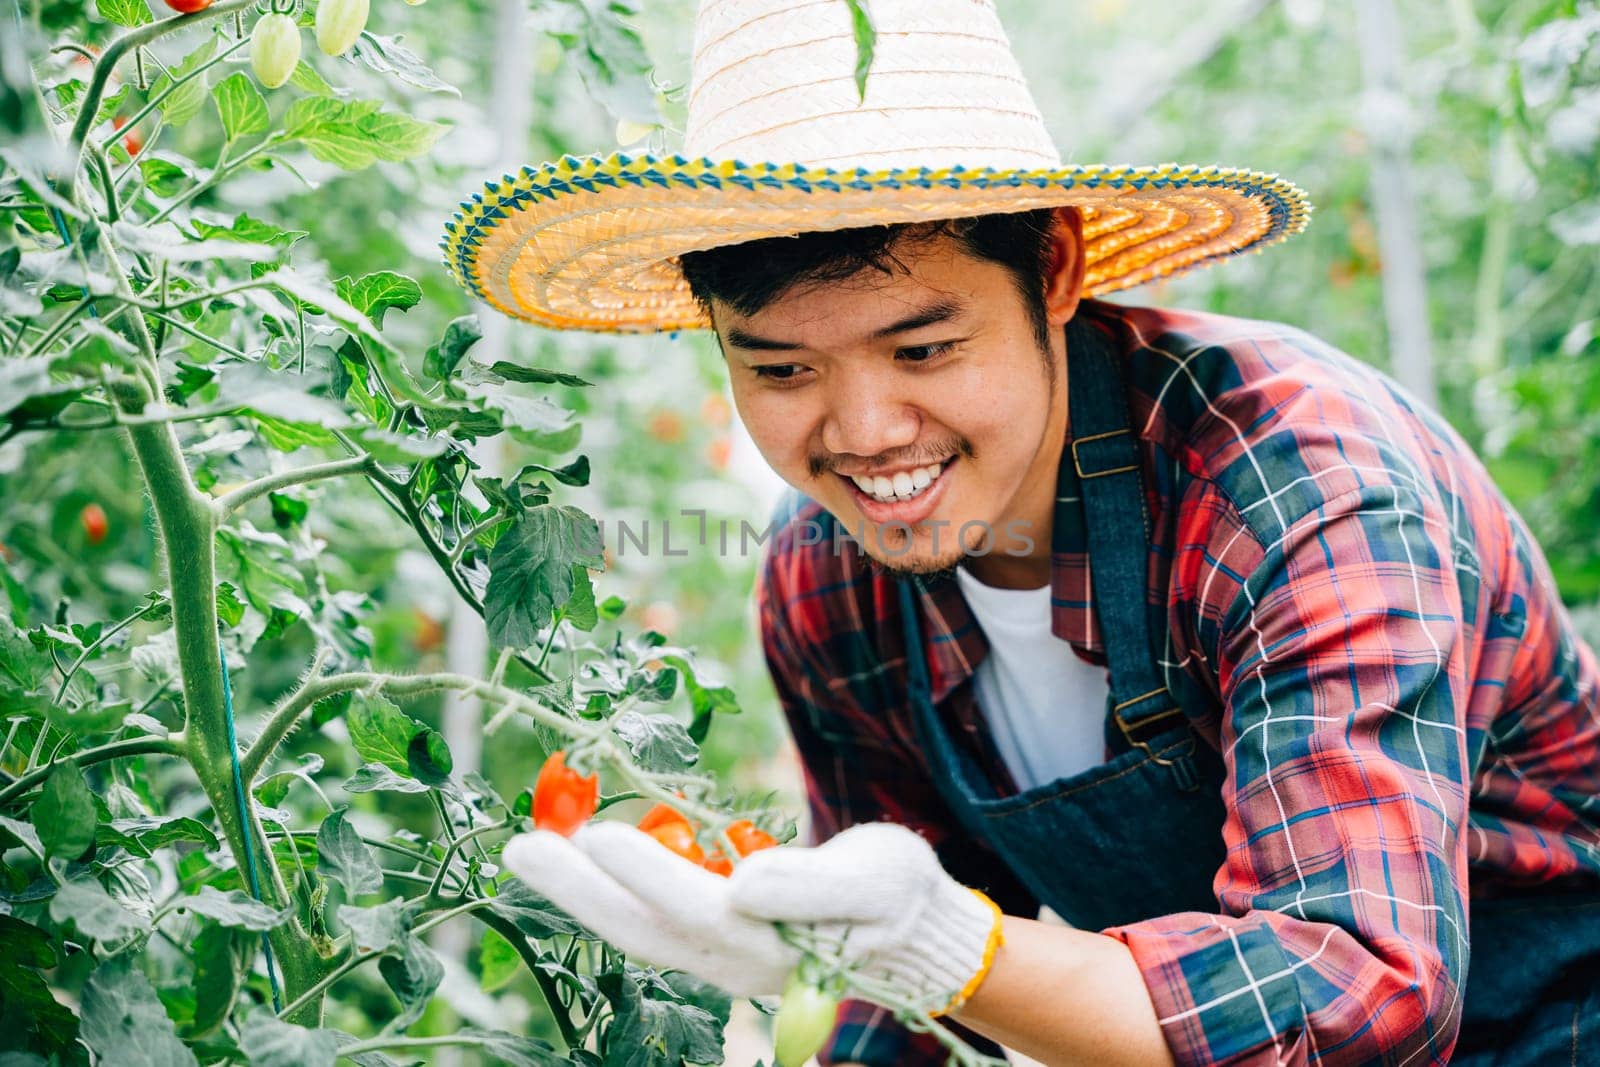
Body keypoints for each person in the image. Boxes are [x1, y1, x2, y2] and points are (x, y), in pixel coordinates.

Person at [447, 1, 1600, 1063]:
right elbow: (895, 1001)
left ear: (1053, 265)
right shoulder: (826, 582)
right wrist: (847, 951)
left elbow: (1360, 993)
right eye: (783, 367)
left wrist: (952, 945)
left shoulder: (1291, 484)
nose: (862, 433)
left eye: (923, 350)